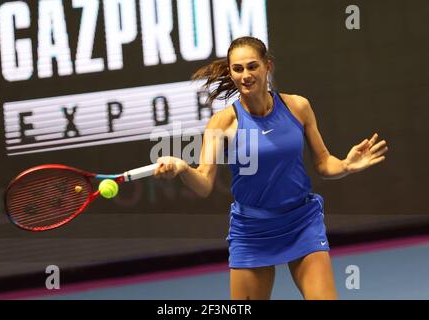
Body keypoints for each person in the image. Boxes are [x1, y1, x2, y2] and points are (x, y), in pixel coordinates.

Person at [154, 36, 388, 300]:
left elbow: (323, 163)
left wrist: (346, 164)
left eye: (252, 66)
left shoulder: (298, 107)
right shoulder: (222, 123)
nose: (245, 75)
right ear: (231, 72)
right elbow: (204, 183)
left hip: (301, 222)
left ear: (268, 66)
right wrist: (183, 168)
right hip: (252, 231)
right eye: (238, 69)